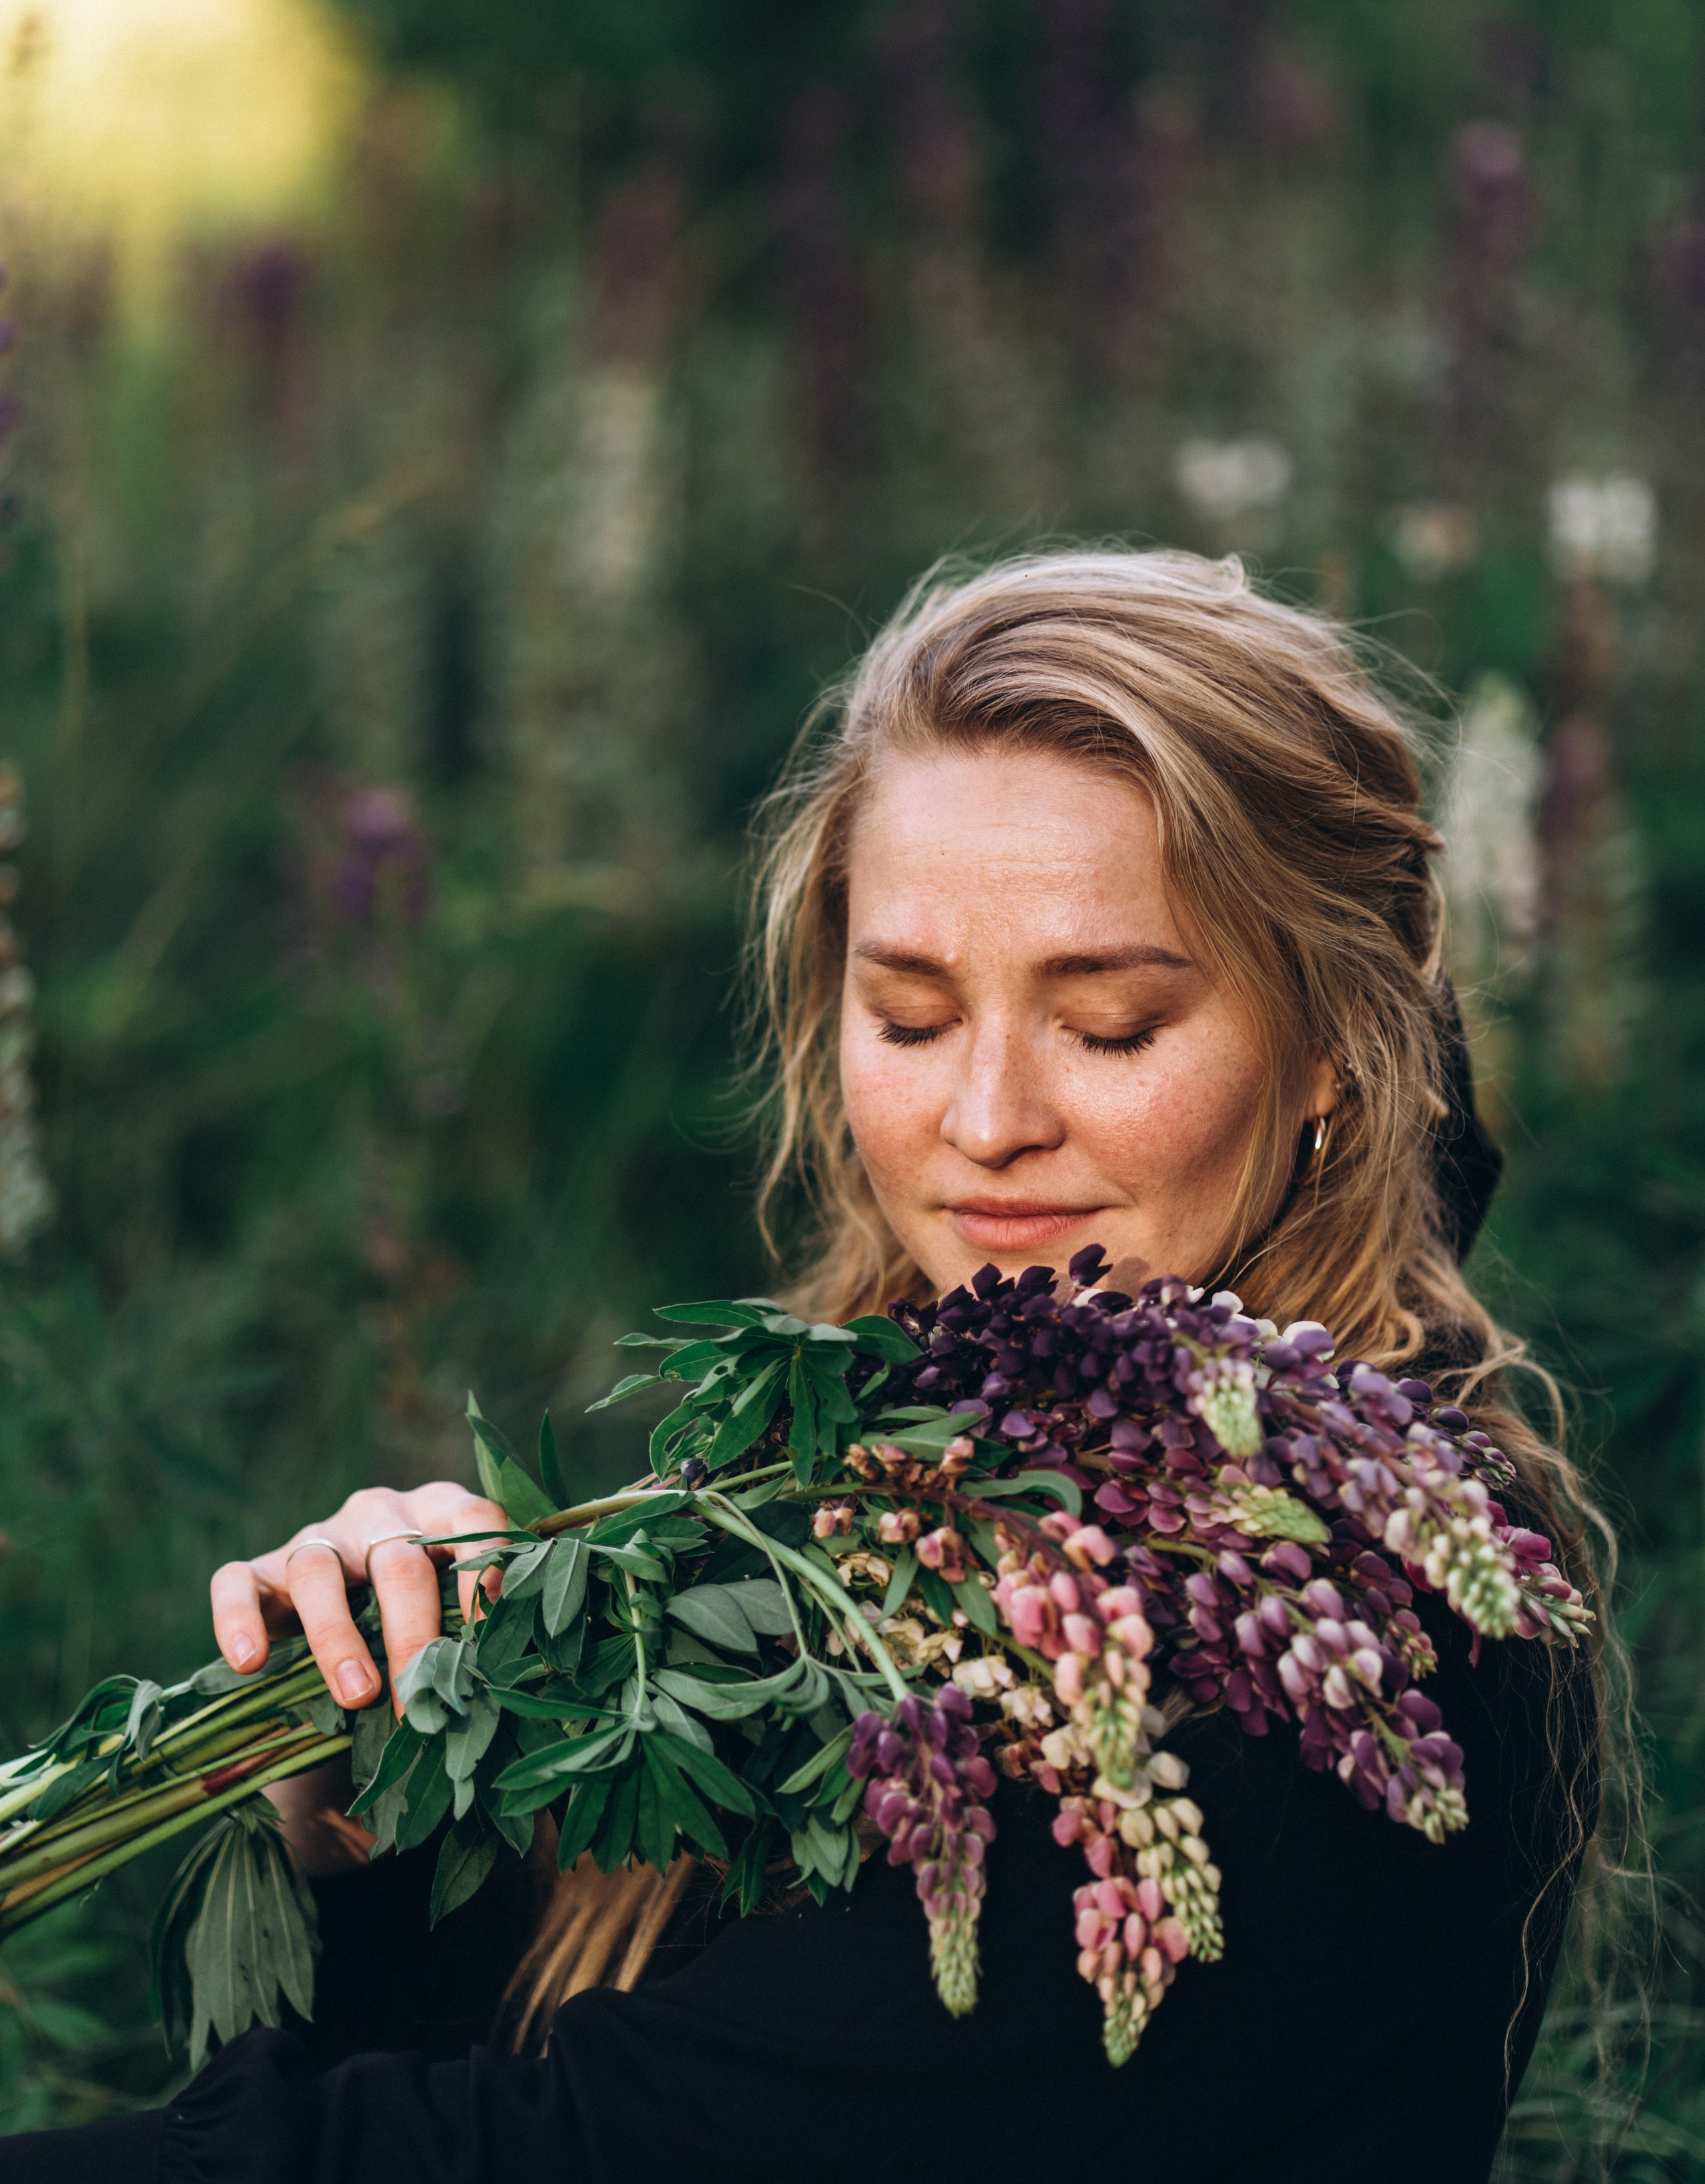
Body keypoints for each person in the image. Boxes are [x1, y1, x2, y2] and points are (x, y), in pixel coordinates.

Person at [3, 550, 1604, 2183]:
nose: (985, 1121)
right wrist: (370, 1793)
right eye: (908, 1016)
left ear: (1331, 1040)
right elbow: (450, 2078)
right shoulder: (852, 1472)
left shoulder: (1325, 1651)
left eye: (1108, 1025)